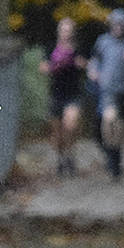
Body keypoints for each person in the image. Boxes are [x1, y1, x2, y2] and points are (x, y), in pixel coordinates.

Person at [85, 8, 124, 178]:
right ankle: (112, 158)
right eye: (115, 23)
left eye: (121, 24)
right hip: (107, 91)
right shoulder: (103, 41)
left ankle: (115, 160)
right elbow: (94, 60)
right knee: (107, 123)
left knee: (120, 129)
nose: (118, 27)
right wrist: (93, 71)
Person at [41, 16, 86, 175]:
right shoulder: (51, 47)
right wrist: (55, 66)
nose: (66, 33)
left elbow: (87, 64)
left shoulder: (78, 48)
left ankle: (70, 153)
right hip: (56, 94)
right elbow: (43, 68)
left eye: (69, 30)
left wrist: (79, 64)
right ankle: (61, 158)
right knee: (57, 134)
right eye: (63, 30)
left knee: (70, 125)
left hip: (73, 93)